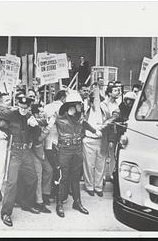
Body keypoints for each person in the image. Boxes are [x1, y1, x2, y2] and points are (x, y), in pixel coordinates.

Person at [55, 90, 102, 218]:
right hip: (64, 151)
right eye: (79, 105)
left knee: (75, 178)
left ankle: (77, 202)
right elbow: (43, 122)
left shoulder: (80, 119)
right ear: (73, 105)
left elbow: (86, 125)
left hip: (77, 150)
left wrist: (94, 131)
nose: (81, 107)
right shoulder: (58, 119)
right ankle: (59, 204)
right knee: (63, 178)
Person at [0, 94, 38, 227]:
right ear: (18, 105)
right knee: (11, 182)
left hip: (26, 152)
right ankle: (6, 213)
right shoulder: (12, 114)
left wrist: (35, 125)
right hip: (14, 152)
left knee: (33, 178)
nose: (23, 110)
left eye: (25, 108)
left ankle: (27, 204)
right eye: (21, 107)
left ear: (29, 107)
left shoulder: (30, 116)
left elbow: (36, 135)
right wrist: (13, 109)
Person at [82, 89, 114, 197]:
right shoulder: (85, 112)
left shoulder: (106, 113)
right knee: (88, 165)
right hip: (88, 141)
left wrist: (110, 140)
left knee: (100, 165)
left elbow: (110, 126)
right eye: (94, 101)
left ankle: (98, 187)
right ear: (91, 102)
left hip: (102, 142)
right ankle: (89, 186)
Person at [43, 90, 67, 203]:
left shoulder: (47, 107)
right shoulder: (64, 108)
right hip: (58, 142)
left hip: (47, 142)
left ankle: (49, 193)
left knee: (50, 168)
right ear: (63, 98)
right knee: (58, 169)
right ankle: (57, 194)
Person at [31, 104, 55, 213]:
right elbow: (38, 139)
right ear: (35, 114)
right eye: (40, 112)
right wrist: (49, 127)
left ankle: (45, 194)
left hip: (40, 151)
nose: (42, 113)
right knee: (39, 174)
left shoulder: (40, 121)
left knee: (49, 170)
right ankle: (39, 202)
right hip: (33, 152)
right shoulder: (33, 123)